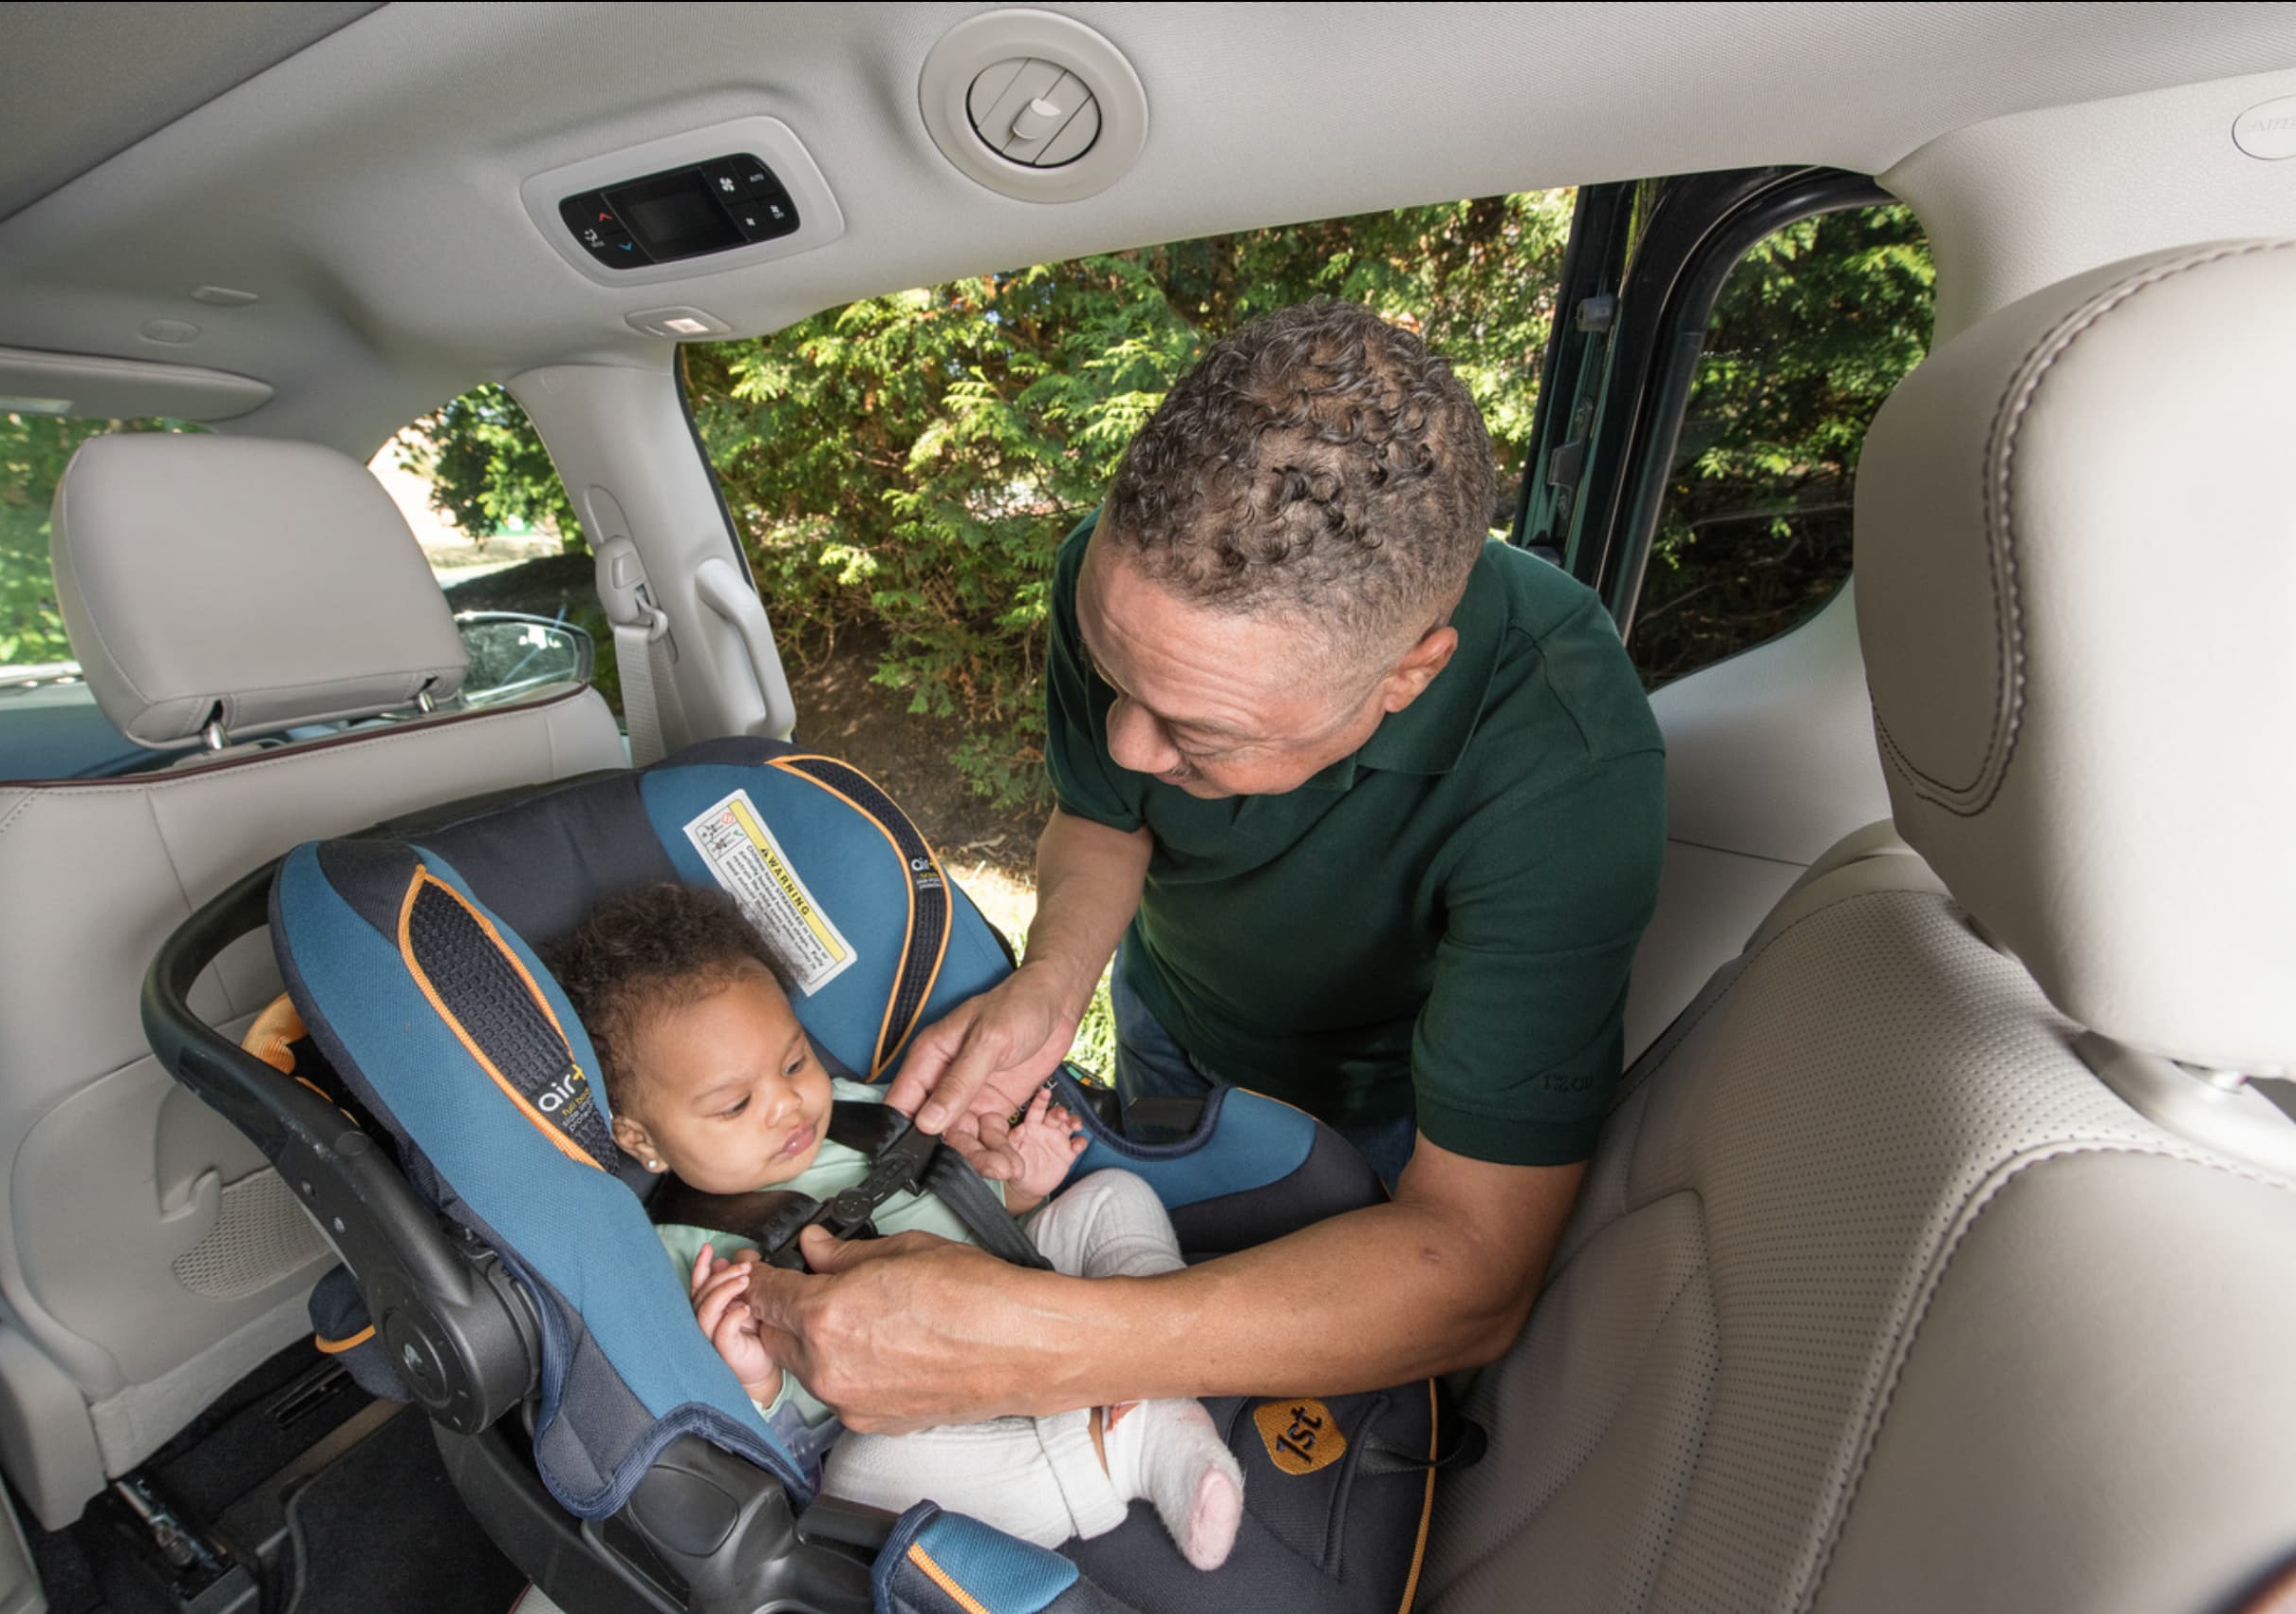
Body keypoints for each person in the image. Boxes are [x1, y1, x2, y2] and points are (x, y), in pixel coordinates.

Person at [743, 298, 1667, 1435]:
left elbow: (1469, 1270)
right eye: (1112, 677)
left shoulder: (1568, 762)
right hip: (1168, 1010)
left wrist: (1029, 1349)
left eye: (1201, 734)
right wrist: (1054, 981)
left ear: (1407, 677)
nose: (1132, 746)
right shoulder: (1139, 587)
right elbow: (1101, 816)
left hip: (1386, 1103)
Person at [543, 883, 1246, 1569]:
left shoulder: (855, 1113)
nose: (787, 1104)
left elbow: (963, 1210)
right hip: (923, 1416)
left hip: (1031, 1300)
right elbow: (764, 1459)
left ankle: (1155, 1367)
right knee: (868, 1478)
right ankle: (1126, 1446)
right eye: (734, 1105)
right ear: (643, 1142)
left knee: (1111, 1198)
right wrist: (754, 1388)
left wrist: (1014, 1185)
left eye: (795, 1062)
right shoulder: (687, 1258)